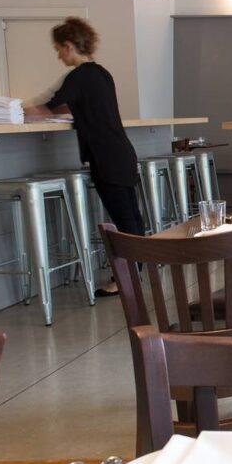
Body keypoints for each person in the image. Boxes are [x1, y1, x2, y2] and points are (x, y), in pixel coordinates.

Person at [24, 17, 144, 297]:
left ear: (69, 45)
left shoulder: (79, 76)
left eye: (59, 49)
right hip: (122, 153)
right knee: (131, 219)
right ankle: (136, 273)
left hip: (106, 158)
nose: (58, 55)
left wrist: (20, 109)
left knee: (122, 221)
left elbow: (53, 107)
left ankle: (127, 279)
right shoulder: (101, 73)